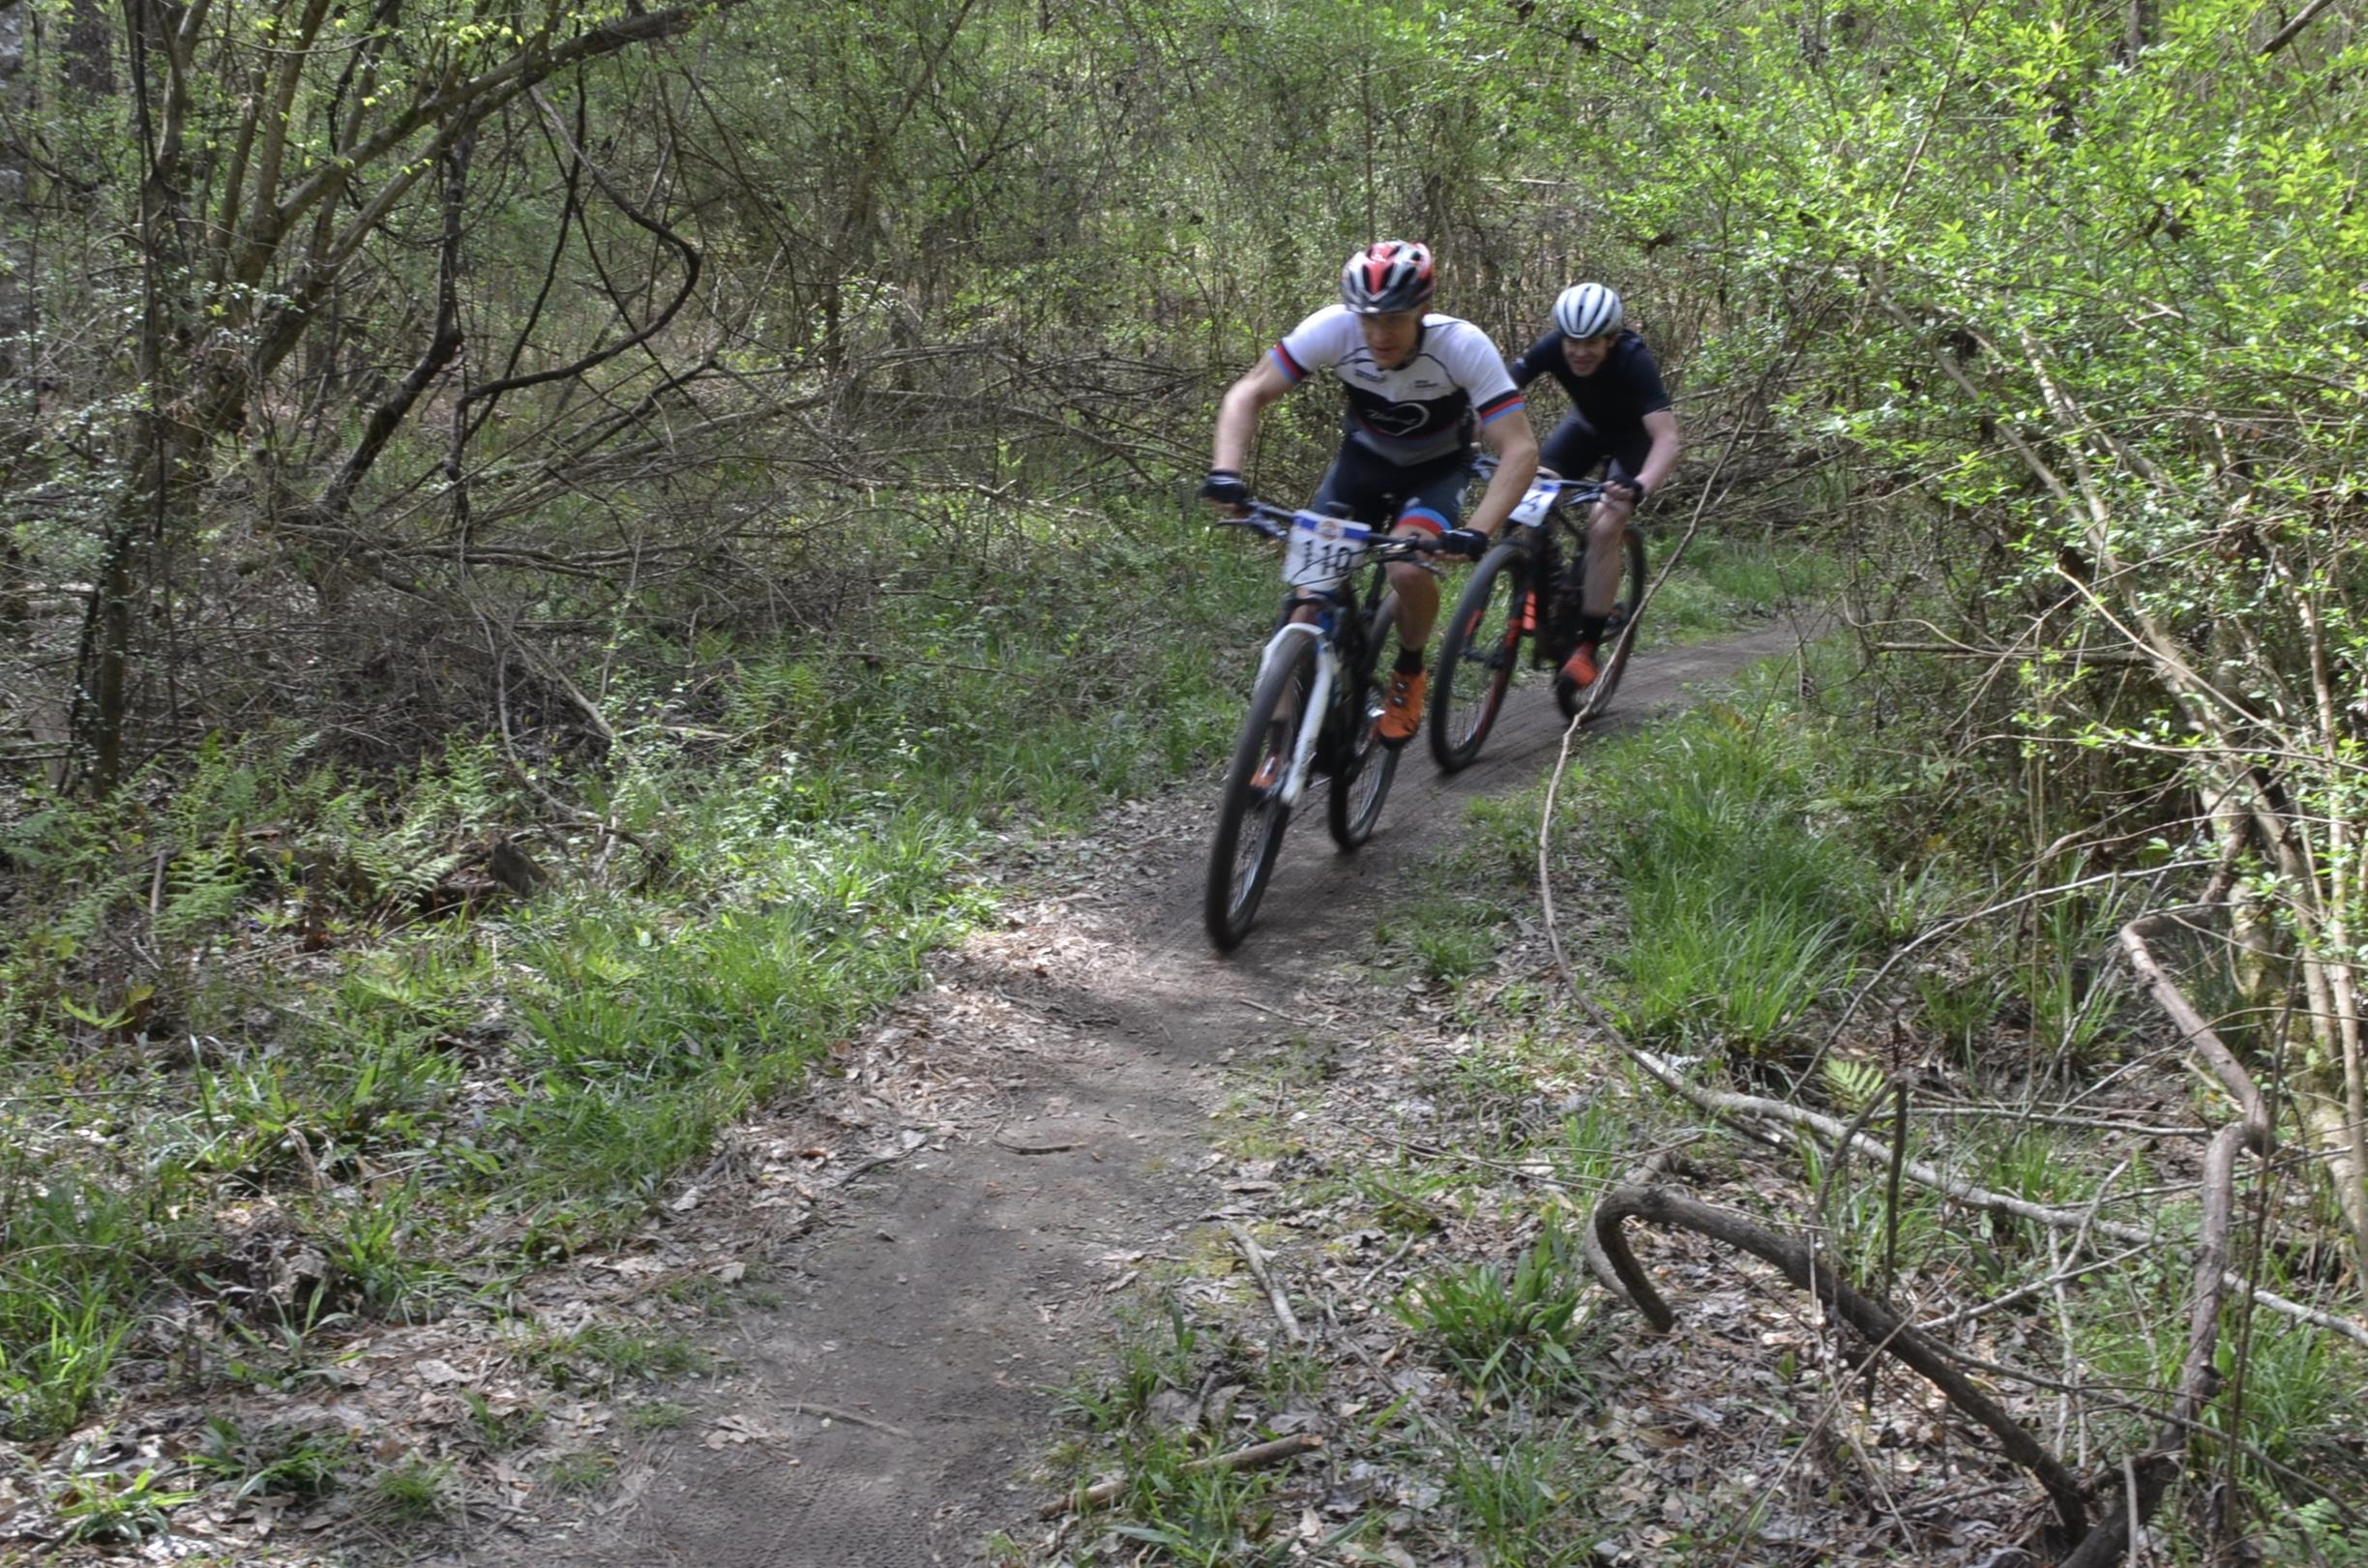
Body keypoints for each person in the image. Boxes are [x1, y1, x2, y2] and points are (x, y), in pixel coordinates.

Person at [1199, 240, 1540, 749]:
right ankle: (1272, 752)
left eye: (1395, 320)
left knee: (1405, 567)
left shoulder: (1462, 346)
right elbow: (1248, 392)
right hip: (1360, 467)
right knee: (1305, 603)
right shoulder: (1332, 328)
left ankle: (1409, 668)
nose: (1379, 335)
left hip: (1435, 472)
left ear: (1423, 310)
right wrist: (1226, 471)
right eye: (1368, 321)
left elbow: (1520, 449)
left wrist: (1476, 531)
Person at [1504, 281, 1681, 694]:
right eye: (1571, 342)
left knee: (1605, 525)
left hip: (1632, 441)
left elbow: (1667, 439)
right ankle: (1544, 588)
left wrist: (1639, 486)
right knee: (1525, 495)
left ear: (1612, 338)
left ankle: (1587, 644)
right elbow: (1498, 393)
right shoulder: (1553, 346)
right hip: (1584, 429)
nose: (1579, 352)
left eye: (1591, 343)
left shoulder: (1634, 360)